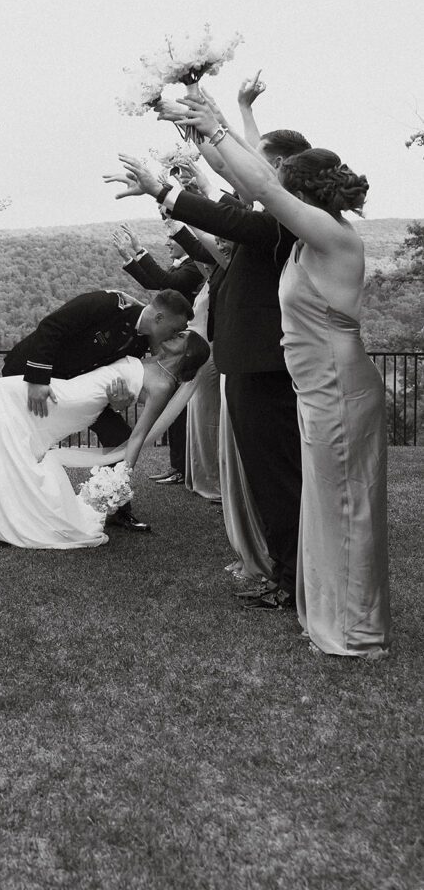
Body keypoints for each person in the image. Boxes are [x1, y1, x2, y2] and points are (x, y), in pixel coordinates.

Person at [166, 90, 391, 656]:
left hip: (338, 386)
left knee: (344, 502)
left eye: (282, 180)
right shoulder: (306, 239)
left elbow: (261, 185)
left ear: (300, 193)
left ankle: (354, 628)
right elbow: (253, 186)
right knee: (324, 500)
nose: (270, 185)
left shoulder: (331, 237)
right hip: (318, 386)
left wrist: (217, 127)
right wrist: (205, 128)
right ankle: (325, 606)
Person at [108, 123, 308, 611]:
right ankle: (278, 568)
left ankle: (292, 578)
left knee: (277, 480)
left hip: (262, 367)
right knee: (264, 479)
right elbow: (222, 234)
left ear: (277, 169)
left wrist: (170, 186)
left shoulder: (280, 222)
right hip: (247, 364)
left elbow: (227, 208)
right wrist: (197, 139)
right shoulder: (269, 221)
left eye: (255, 159)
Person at [0, 288, 194, 540]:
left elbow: (117, 377)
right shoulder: (107, 304)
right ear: (160, 317)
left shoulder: (142, 342)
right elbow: (52, 327)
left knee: (119, 436)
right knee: (4, 443)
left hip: (78, 395)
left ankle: (115, 505)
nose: (172, 336)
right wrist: (37, 379)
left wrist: (120, 401)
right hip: (32, 377)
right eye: (175, 329)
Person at [112, 223, 205, 485]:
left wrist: (138, 248)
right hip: (176, 345)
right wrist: (129, 257)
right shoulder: (186, 266)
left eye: (172, 238)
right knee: (172, 411)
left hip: (187, 348)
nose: (167, 243)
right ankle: (178, 464)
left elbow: (166, 283)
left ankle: (182, 465)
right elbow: (158, 284)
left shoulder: (194, 267)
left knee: (178, 410)